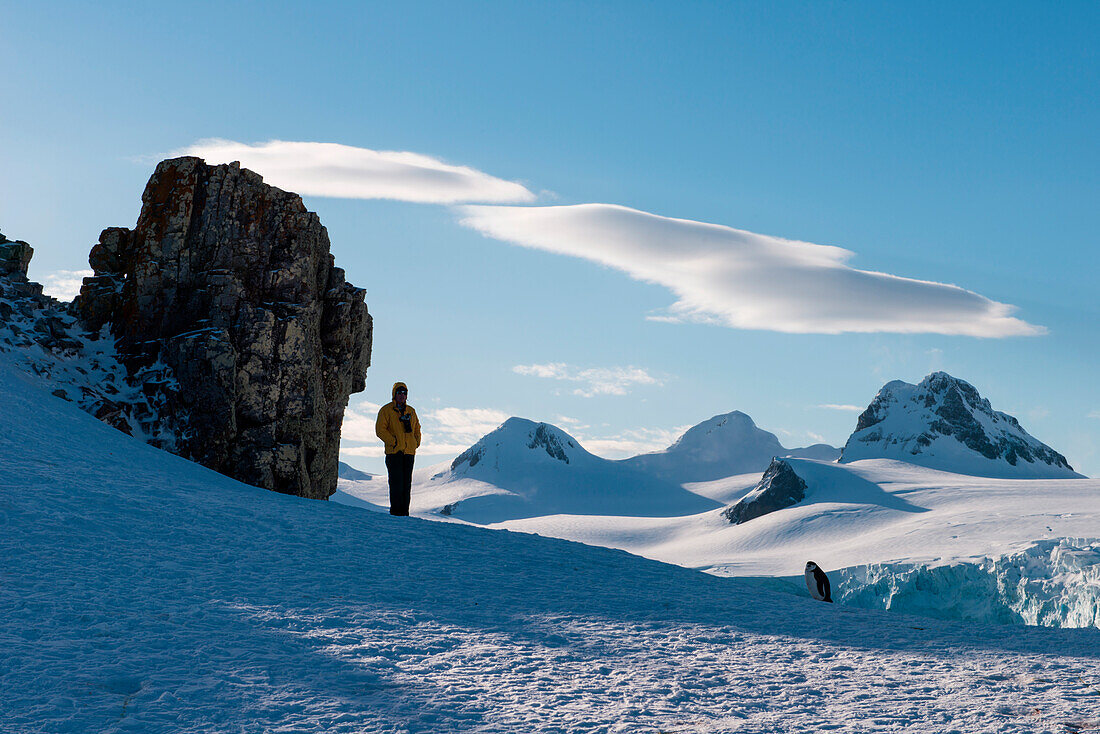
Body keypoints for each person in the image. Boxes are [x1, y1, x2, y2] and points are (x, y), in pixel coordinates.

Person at [375, 381, 421, 516]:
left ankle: (404, 514)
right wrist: (393, 442)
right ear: (394, 394)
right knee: (396, 484)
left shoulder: (411, 411)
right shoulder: (386, 410)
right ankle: (395, 514)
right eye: (399, 393)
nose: (402, 395)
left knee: (406, 485)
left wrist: (415, 442)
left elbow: (417, 429)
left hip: (409, 453)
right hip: (394, 453)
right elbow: (380, 430)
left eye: (404, 393)